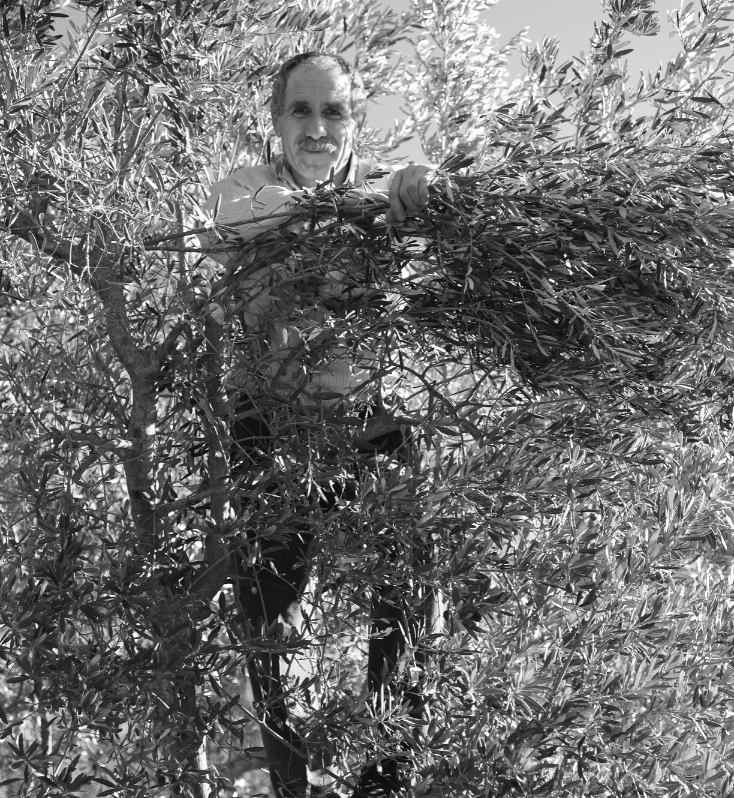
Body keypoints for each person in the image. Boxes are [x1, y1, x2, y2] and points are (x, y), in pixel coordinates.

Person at [203, 51, 436, 798]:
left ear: (353, 121)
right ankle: (286, 774)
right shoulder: (244, 188)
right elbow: (246, 217)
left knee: (409, 570)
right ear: (276, 121)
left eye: (333, 112)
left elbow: (421, 191)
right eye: (301, 111)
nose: (316, 127)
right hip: (268, 424)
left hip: (365, 421)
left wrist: (421, 187)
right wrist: (360, 205)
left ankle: (387, 766)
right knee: (269, 612)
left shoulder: (379, 190)